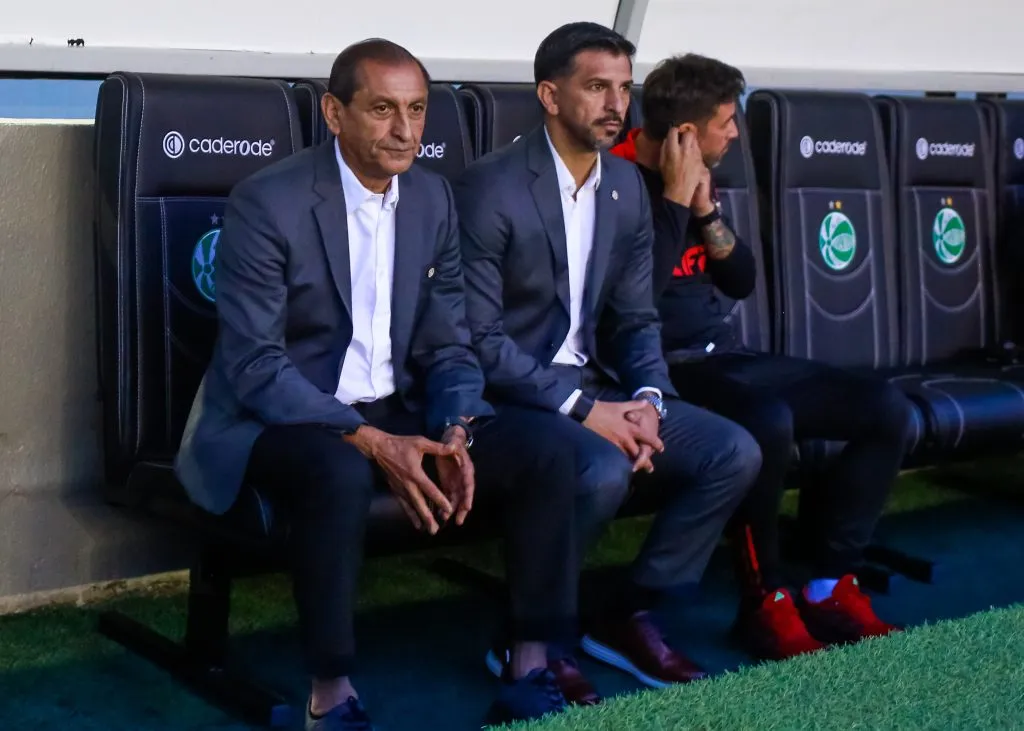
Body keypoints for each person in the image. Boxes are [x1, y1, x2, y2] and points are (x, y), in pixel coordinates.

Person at [175, 39, 587, 730]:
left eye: (418, 110)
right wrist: (369, 438)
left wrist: (456, 427)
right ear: (335, 113)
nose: (405, 130)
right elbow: (255, 366)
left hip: (398, 403)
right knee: (337, 470)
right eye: (383, 109)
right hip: (278, 416)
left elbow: (448, 342)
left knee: (546, 447)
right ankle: (329, 693)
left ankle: (528, 661)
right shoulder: (267, 203)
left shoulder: (431, 198)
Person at [453, 23, 763, 702]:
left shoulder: (624, 186)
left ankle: (628, 609)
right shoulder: (490, 187)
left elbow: (637, 318)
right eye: (596, 87)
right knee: (595, 466)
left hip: (599, 387)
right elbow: (476, 339)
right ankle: (530, 632)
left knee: (731, 451)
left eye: (623, 88)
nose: (616, 103)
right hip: (508, 399)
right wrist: (588, 410)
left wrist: (650, 394)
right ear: (550, 95)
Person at [609, 52, 915, 661]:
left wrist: (703, 209)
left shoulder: (699, 176)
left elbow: (741, 280)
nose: (735, 133)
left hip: (723, 353)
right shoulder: (611, 179)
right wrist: (673, 197)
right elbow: (629, 301)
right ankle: (763, 600)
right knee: (767, 421)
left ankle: (830, 582)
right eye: (727, 121)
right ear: (687, 133)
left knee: (885, 408)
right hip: (656, 369)